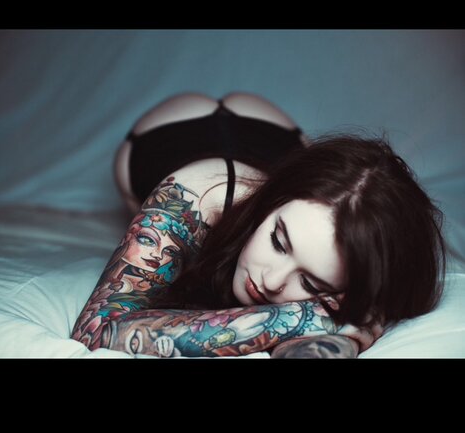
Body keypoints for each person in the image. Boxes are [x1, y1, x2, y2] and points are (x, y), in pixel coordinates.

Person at [70, 92, 447, 359]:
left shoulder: (356, 258)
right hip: (167, 133)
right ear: (271, 205)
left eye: (311, 284)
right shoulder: (196, 195)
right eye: (279, 242)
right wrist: (300, 316)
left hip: (281, 144)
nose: (271, 281)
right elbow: (97, 331)